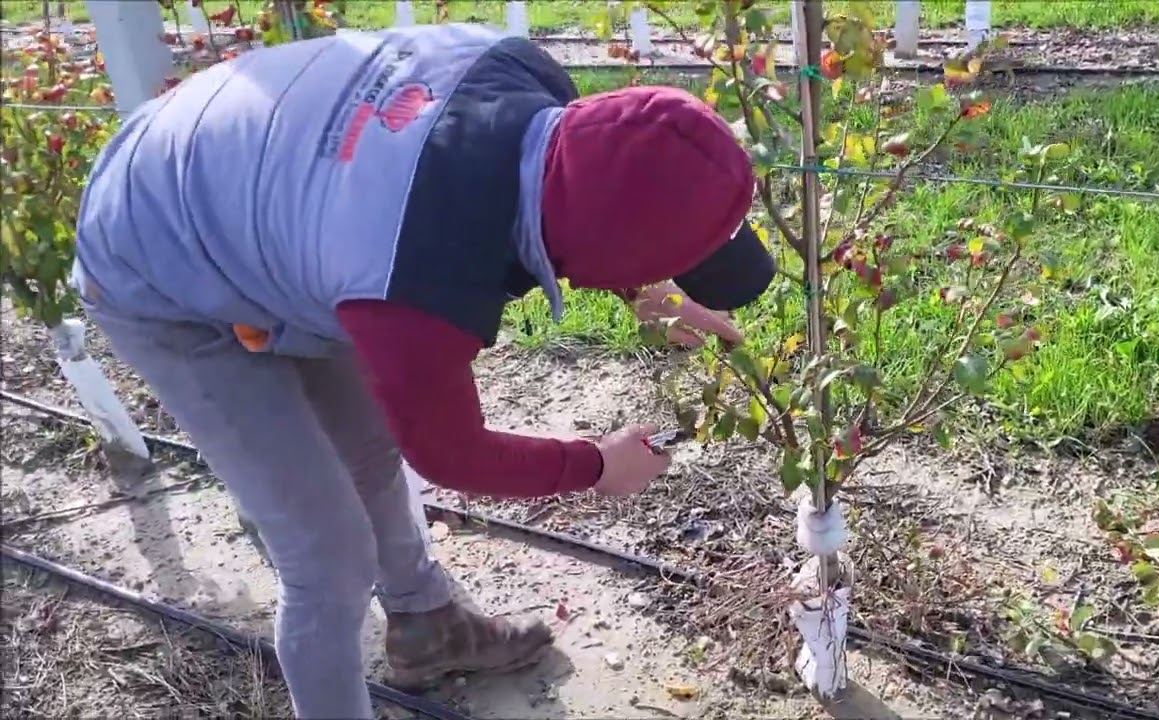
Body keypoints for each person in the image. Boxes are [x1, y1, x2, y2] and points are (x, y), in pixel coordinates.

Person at [70, 21, 775, 720]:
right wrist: (597, 466)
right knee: (327, 557)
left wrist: (647, 290)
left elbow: (590, 195)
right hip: (150, 254)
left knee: (369, 448)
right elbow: (449, 454)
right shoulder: (419, 273)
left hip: (265, 186)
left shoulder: (524, 72)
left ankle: (426, 627)